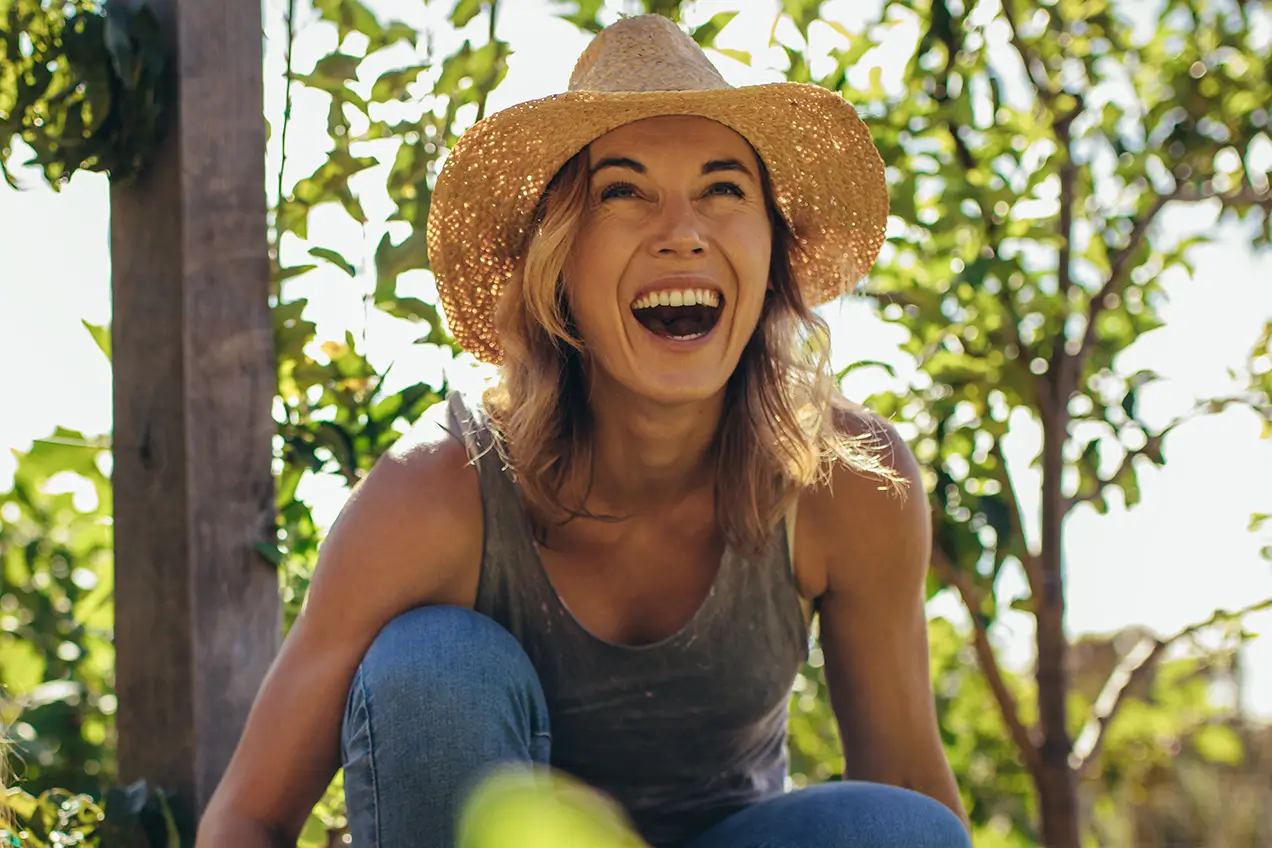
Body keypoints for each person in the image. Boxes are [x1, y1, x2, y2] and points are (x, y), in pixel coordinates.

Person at [198, 14, 971, 848]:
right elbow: (249, 816)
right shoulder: (434, 494)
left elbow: (910, 787)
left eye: (723, 189)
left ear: (774, 253)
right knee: (432, 667)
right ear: (558, 263)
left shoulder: (845, 481)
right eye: (624, 192)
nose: (682, 230)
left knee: (903, 831)